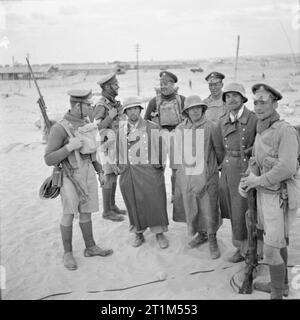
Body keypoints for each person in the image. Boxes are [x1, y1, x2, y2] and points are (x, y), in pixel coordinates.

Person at [240, 83, 300, 299]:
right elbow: (256, 159)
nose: (258, 106)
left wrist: (258, 181)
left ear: (275, 103)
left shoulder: (284, 131)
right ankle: (281, 285)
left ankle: (276, 293)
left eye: (263, 101)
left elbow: (287, 167)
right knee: (276, 241)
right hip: (265, 196)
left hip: (280, 197)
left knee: (270, 250)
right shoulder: (261, 128)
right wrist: (248, 179)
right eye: (255, 101)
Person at [44, 89, 113, 271]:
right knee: (68, 214)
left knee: (86, 212)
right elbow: (49, 159)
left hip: (88, 172)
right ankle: (68, 253)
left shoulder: (86, 123)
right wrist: (67, 148)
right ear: (77, 106)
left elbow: (91, 153)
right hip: (69, 175)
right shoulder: (59, 128)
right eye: (88, 105)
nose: (91, 108)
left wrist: (100, 171)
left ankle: (90, 247)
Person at [173, 95, 223, 259]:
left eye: (197, 107)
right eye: (191, 108)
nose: (195, 111)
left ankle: (212, 237)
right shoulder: (180, 128)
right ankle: (201, 234)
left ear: (202, 109)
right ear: (186, 111)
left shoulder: (211, 127)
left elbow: (219, 152)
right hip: (188, 176)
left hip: (207, 176)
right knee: (192, 207)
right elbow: (177, 153)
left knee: (209, 207)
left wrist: (212, 171)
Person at [117, 96, 169, 249]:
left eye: (135, 108)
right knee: (133, 202)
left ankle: (159, 232)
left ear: (140, 110)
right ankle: (138, 232)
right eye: (130, 109)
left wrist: (159, 166)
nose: (133, 112)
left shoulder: (152, 127)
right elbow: (119, 151)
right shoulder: (121, 130)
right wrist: (121, 167)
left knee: (156, 200)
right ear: (125, 112)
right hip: (131, 172)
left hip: (149, 170)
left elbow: (161, 148)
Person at [217, 83, 259, 263]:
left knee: (248, 209)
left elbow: (261, 144)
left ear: (243, 99)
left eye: (235, 96)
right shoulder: (222, 120)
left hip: (246, 168)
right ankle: (240, 247)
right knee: (234, 210)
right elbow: (219, 147)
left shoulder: (254, 119)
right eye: (228, 96)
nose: (231, 99)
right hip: (228, 169)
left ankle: (252, 248)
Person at [144, 71, 185, 202]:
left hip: (177, 136)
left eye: (166, 84)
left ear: (173, 84)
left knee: (176, 168)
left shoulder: (182, 100)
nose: (163, 86)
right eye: (161, 84)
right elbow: (146, 122)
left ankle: (175, 194)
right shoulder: (153, 101)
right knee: (158, 168)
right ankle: (158, 194)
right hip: (160, 136)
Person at [91, 73, 126, 222]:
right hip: (105, 146)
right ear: (107, 87)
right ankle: (107, 211)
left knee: (114, 176)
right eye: (115, 84)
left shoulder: (113, 103)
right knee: (109, 177)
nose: (118, 86)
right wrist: (110, 117)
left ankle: (112, 206)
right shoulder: (101, 105)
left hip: (115, 144)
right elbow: (96, 127)